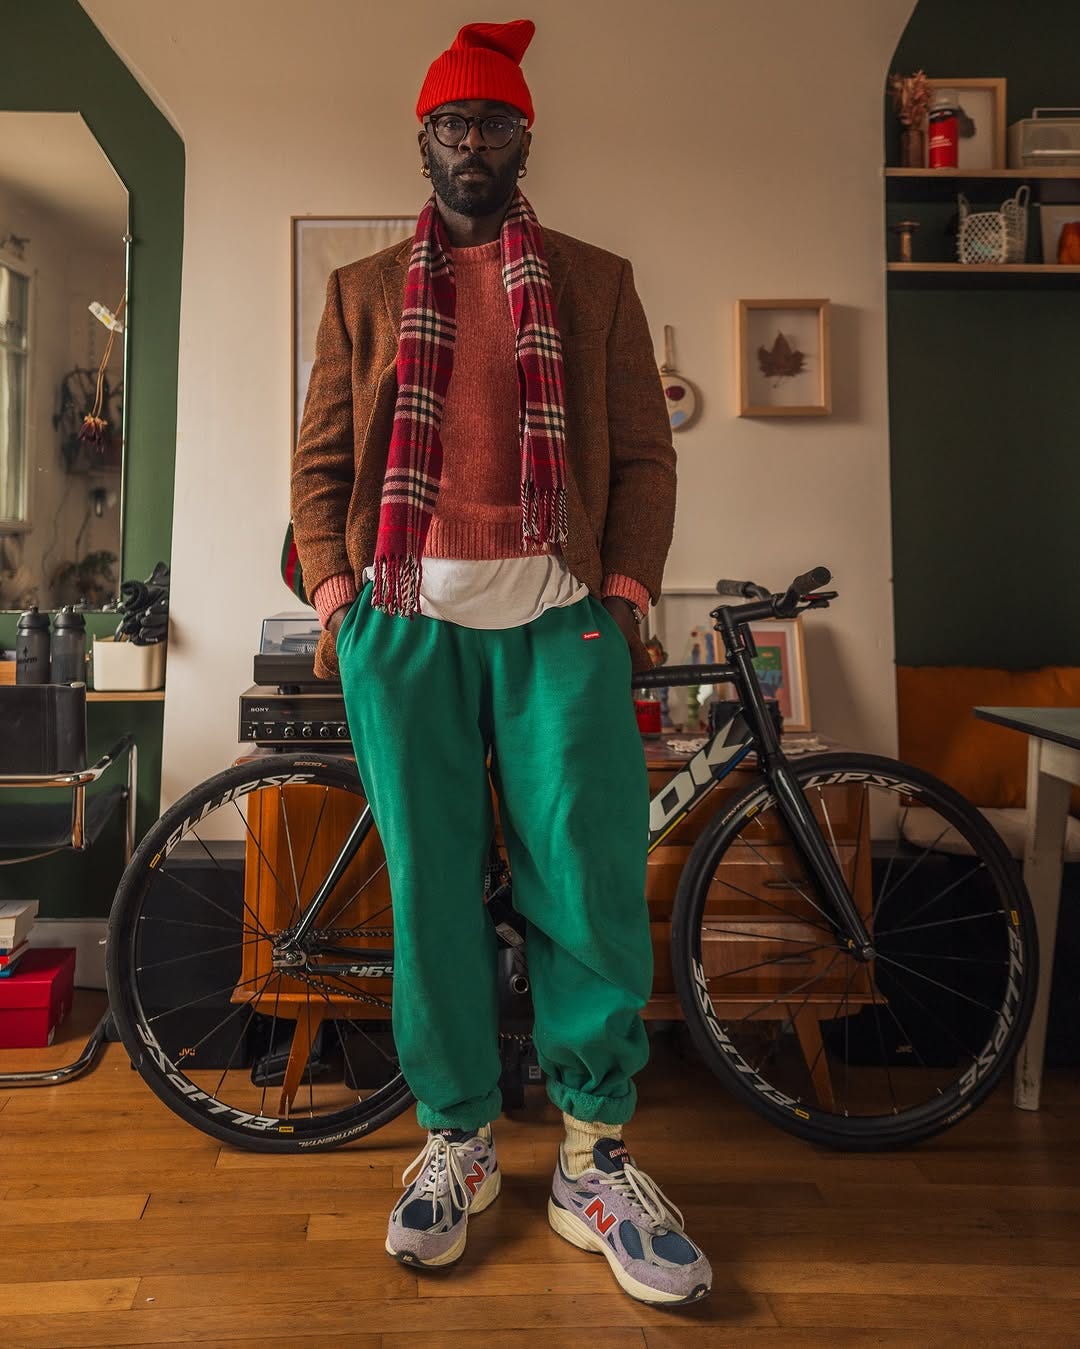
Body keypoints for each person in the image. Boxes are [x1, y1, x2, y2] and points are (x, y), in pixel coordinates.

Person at [291, 17, 710, 1307]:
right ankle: (458, 1139)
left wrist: (626, 586)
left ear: (528, 139)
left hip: (559, 620)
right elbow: (318, 468)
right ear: (424, 143)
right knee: (428, 888)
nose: (474, 145)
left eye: (496, 125)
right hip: (404, 625)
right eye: (453, 126)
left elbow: (644, 453)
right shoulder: (362, 294)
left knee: (581, 884)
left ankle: (593, 1156)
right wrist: (332, 583)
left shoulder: (596, 279)